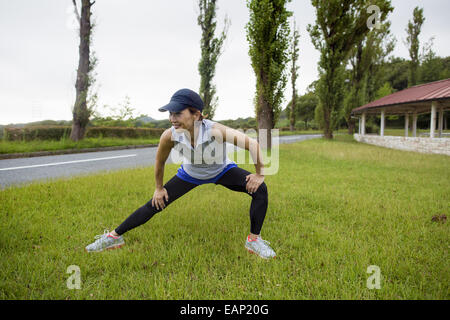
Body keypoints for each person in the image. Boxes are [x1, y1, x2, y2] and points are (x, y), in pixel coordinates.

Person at [85, 88, 276, 259]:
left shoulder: (216, 130)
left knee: (260, 189)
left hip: (222, 170)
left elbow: (252, 144)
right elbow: (159, 162)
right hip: (189, 174)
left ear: (196, 114)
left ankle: (253, 240)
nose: (172, 118)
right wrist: (158, 188)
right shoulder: (170, 135)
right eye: (170, 113)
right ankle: (113, 237)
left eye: (177, 113)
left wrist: (259, 174)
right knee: (155, 203)